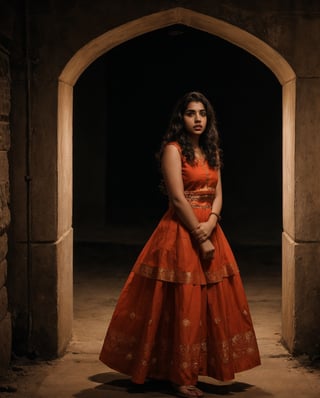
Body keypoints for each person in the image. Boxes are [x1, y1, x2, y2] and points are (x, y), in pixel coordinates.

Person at [99, 91, 261, 398]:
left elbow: (218, 193)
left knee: (210, 302)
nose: (198, 118)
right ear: (181, 118)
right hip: (181, 232)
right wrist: (200, 237)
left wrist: (212, 222)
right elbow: (176, 198)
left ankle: (199, 367)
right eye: (191, 113)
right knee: (182, 302)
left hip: (209, 228)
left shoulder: (211, 150)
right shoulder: (173, 150)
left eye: (202, 113)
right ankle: (180, 376)